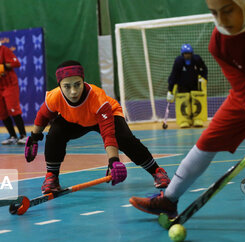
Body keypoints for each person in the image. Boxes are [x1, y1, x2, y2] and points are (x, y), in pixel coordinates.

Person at [129, 0, 245, 219]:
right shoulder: (219, 44)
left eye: (228, 10)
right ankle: (168, 200)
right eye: (214, 13)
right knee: (208, 141)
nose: (222, 20)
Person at [24, 60, 171, 194]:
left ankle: (157, 171)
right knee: (55, 133)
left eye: (77, 84)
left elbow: (108, 134)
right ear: (59, 86)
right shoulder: (54, 97)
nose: (73, 91)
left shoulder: (97, 98)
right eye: (67, 87)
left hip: (105, 115)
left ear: (83, 81)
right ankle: (52, 178)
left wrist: (113, 161)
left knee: (125, 139)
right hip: (75, 120)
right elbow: (43, 116)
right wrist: (34, 138)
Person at [0, 29, 27, 145]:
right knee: (2, 112)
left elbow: (17, 63)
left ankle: (23, 135)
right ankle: (12, 136)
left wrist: (4, 65)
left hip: (9, 85)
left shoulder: (4, 50)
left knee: (13, 109)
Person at [166, 44, 208, 128]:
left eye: (189, 53)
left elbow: (204, 69)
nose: (187, 55)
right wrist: (170, 90)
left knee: (196, 100)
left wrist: (203, 78)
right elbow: (173, 75)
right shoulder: (178, 61)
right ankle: (184, 120)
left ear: (192, 53)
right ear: (182, 54)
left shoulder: (197, 59)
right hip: (182, 85)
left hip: (195, 85)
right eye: (185, 54)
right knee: (183, 101)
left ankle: (197, 119)